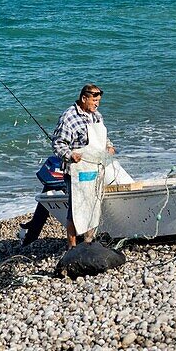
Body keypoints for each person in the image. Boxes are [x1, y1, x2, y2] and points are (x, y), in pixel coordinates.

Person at [52, 84, 115, 248]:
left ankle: (88, 242)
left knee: (93, 205)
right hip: (75, 171)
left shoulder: (97, 116)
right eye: (94, 100)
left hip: (94, 168)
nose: (97, 104)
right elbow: (58, 144)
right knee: (76, 208)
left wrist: (109, 146)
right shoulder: (69, 117)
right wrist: (70, 155)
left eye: (99, 101)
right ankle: (71, 246)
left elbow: (103, 138)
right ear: (84, 98)